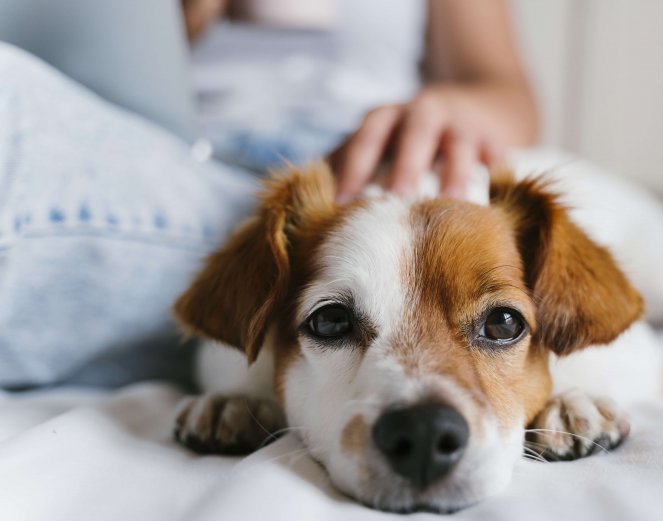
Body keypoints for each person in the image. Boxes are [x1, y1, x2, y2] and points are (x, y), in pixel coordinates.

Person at [0, 0, 537, 388]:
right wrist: (183, 17)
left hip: (355, 186)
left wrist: (444, 109)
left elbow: (510, 95)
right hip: (175, 167)